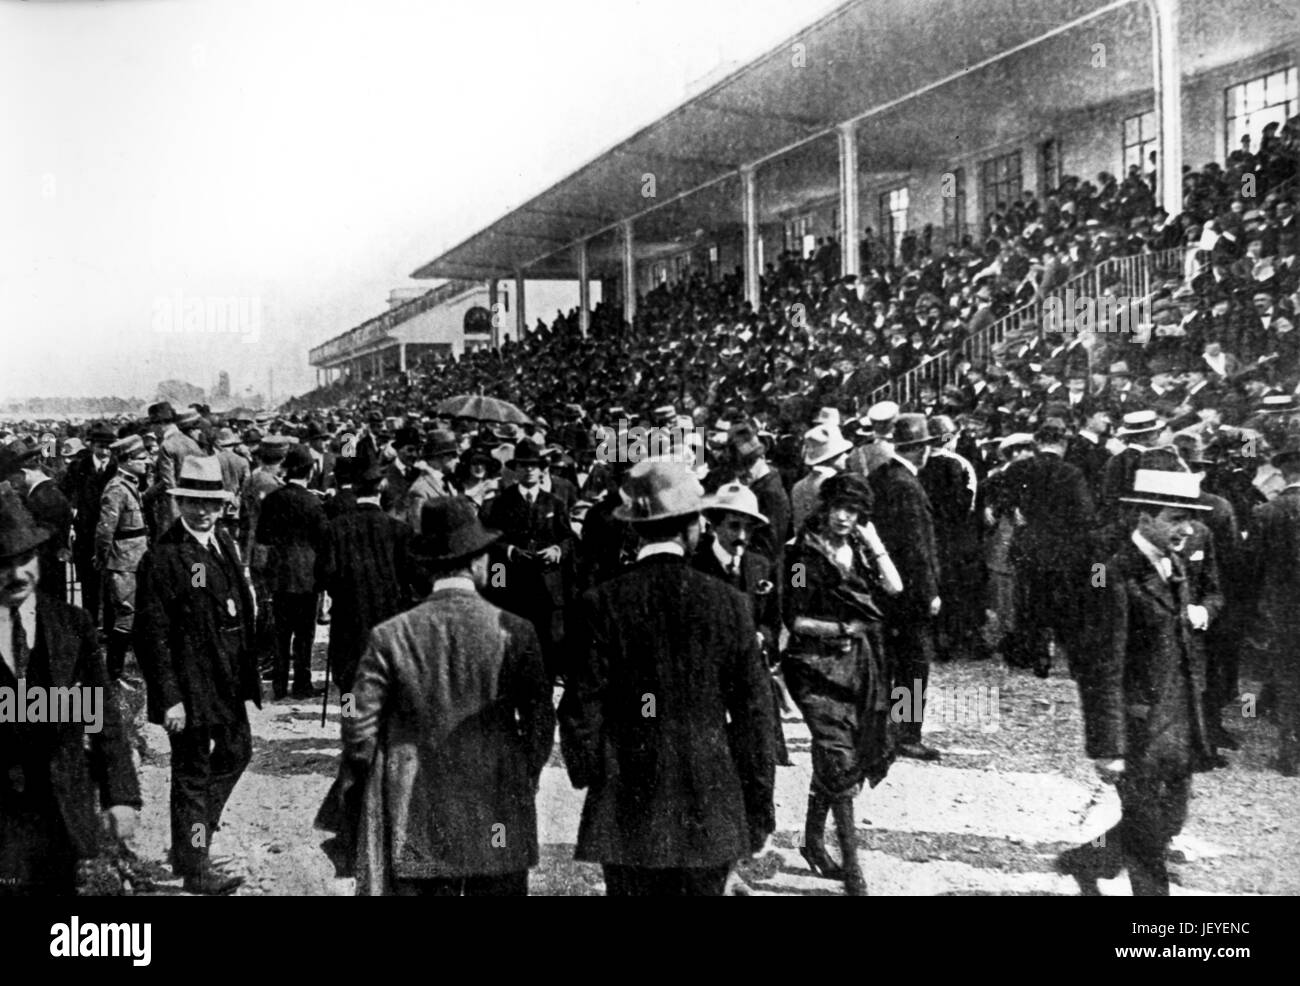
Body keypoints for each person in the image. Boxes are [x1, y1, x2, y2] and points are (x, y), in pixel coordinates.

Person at [559, 460, 775, 896]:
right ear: (694, 525)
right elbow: (755, 714)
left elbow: (581, 706)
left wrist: (594, 776)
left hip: (625, 805)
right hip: (710, 799)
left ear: (636, 529)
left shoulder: (600, 602)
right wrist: (757, 805)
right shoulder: (730, 604)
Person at [332, 497, 554, 895]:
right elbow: (540, 720)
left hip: (414, 811)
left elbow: (357, 725)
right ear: (477, 561)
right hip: (498, 804)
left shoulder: (389, 634)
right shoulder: (517, 632)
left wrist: (372, 781)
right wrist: (526, 775)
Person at [1059, 469, 1215, 895]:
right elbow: (1102, 668)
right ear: (1143, 519)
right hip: (1139, 727)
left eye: (1190, 518)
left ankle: (1088, 859)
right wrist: (1107, 746)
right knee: (1148, 840)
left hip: (1179, 722)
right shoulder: (1114, 575)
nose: (1187, 529)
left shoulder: (1175, 565)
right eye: (1174, 518)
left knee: (1168, 822)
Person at [0, 487, 140, 896]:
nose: (18, 574)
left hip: (60, 805)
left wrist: (121, 794)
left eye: (25, 559)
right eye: (2, 564)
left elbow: (103, 714)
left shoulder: (71, 625)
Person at [135, 456, 262, 895]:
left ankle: (191, 842)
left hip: (225, 680)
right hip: (189, 687)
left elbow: (237, 606)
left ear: (222, 505)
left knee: (237, 750)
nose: (201, 511)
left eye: (210, 503)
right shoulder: (165, 557)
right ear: (180, 502)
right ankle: (195, 865)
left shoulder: (222, 541)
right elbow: (152, 635)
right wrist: (170, 697)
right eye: (192, 502)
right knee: (192, 771)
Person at [782, 473, 902, 895]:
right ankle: (854, 872)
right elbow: (795, 620)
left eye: (854, 512)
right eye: (839, 509)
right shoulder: (800, 557)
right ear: (824, 508)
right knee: (838, 756)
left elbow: (895, 586)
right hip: (814, 667)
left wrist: (872, 541)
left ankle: (813, 840)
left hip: (861, 666)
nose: (845, 518)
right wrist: (841, 629)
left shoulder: (860, 551)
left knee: (849, 751)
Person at [694, 481, 789, 766]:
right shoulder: (694, 566)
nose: (742, 536)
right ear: (714, 526)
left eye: (748, 529)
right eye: (734, 526)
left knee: (759, 759)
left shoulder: (760, 566)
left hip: (750, 674)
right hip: (707, 676)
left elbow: (773, 621)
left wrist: (762, 636)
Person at [868, 413, 943, 761]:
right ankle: (907, 734)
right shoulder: (907, 485)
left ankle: (887, 730)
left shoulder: (881, 476)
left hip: (887, 588)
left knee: (892, 662)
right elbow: (917, 548)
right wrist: (930, 593)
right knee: (915, 666)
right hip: (911, 594)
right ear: (920, 450)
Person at [316, 464, 421, 696]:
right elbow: (415, 576)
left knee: (349, 679)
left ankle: (350, 723)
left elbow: (323, 576)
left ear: (353, 488)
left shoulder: (334, 529)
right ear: (381, 489)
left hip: (348, 613)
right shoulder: (400, 531)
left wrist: (339, 592)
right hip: (390, 613)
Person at [484, 439, 574, 680]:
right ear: (515, 469)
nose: (529, 470)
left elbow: (568, 538)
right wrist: (510, 551)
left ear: (542, 468)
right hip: (514, 583)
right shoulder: (501, 503)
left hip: (547, 583)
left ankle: (546, 678)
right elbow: (490, 541)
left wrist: (557, 550)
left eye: (534, 465)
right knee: (514, 635)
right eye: (523, 465)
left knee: (548, 637)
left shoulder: (554, 502)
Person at [255, 445, 329, 699]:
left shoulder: (273, 498)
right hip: (307, 575)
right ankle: (301, 684)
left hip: (279, 572)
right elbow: (323, 539)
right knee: (305, 634)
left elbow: (262, 536)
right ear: (310, 471)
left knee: (281, 631)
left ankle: (278, 685)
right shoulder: (314, 502)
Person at [1245, 438, 1300, 775]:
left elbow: (1253, 567)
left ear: (1282, 473)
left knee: (1290, 680)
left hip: (1283, 611)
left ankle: (1292, 756)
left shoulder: (1267, 512)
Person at [93, 434, 151, 681]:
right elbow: (105, 530)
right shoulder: (117, 488)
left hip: (135, 557)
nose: (146, 462)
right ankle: (114, 673)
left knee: (136, 614)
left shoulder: (132, 484)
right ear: (126, 460)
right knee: (125, 616)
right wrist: (103, 558)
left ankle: (129, 669)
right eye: (141, 459)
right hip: (123, 561)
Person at [62, 421, 117, 624]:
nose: (104, 451)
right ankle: (90, 622)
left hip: (110, 532)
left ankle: (110, 624)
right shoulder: (79, 467)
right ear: (92, 446)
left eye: (108, 447)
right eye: (100, 446)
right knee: (88, 580)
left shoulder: (116, 467)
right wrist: (71, 514)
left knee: (111, 581)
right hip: (85, 532)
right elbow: (66, 494)